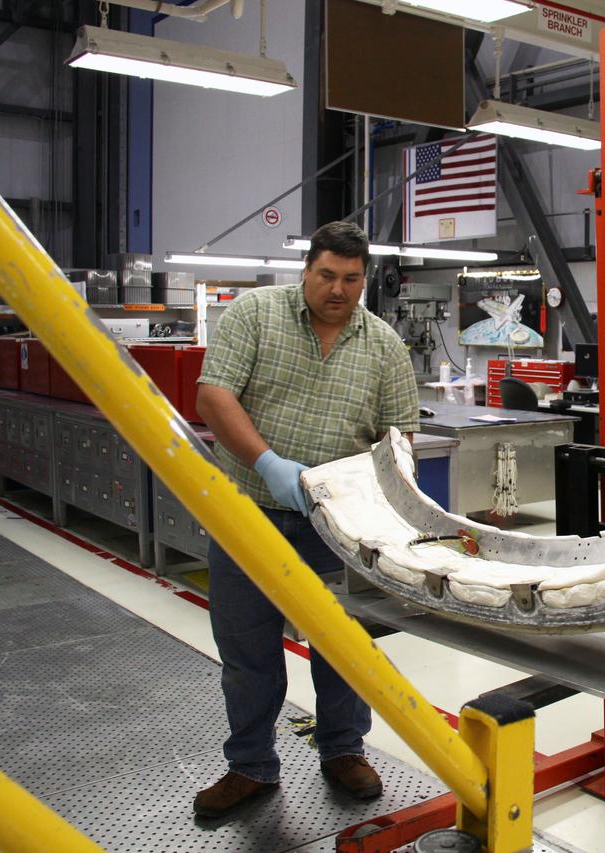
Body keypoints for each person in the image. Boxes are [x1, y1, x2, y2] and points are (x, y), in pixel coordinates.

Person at [192, 220, 420, 818]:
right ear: (307, 270)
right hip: (248, 516)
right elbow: (214, 396)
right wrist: (267, 464)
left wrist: (393, 506)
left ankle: (343, 750)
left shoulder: (384, 346)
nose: (337, 289)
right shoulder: (255, 315)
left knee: (344, 646)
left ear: (365, 279)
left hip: (337, 529)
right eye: (326, 275)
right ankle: (250, 766)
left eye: (350, 278)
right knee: (247, 653)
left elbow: (399, 436)